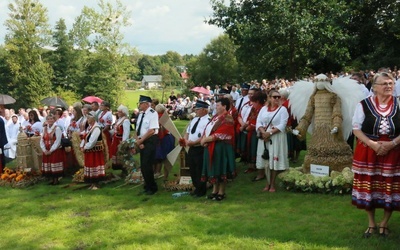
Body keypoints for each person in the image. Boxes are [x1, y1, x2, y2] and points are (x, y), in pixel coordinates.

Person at [351, 72, 400, 238]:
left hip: (394, 151)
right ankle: (371, 223)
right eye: (384, 84)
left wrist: (392, 143)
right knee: (369, 187)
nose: (388, 86)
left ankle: (384, 223)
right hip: (368, 151)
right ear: (375, 87)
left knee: (390, 188)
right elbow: (356, 128)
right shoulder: (364, 104)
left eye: (391, 83)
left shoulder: (399, 104)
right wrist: (373, 144)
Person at [201, 97, 236, 201]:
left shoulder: (228, 118)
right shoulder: (215, 117)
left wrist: (206, 139)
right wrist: (204, 139)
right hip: (211, 146)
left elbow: (223, 133)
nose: (216, 107)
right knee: (213, 168)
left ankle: (221, 192)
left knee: (220, 167)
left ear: (224, 106)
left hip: (221, 147)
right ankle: (214, 190)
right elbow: (207, 128)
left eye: (218, 105)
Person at [256, 90, 289, 192]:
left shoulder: (282, 109)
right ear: (269, 98)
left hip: (276, 137)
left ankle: (272, 184)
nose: (277, 99)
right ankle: (267, 182)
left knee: (274, 160)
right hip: (264, 137)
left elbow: (283, 124)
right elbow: (258, 121)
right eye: (274, 97)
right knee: (266, 159)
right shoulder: (263, 109)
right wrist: (263, 132)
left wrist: (269, 133)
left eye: (278, 97)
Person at [182, 100, 210, 197]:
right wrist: (185, 139)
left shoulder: (207, 121)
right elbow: (188, 131)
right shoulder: (194, 120)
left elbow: (205, 136)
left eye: (198, 109)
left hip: (200, 148)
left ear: (204, 110)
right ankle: (196, 187)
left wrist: (194, 142)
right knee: (192, 168)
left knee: (199, 169)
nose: (196, 111)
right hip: (191, 147)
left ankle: (201, 190)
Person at [135, 95, 159, 195]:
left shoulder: (153, 113)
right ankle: (147, 185)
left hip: (150, 140)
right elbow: (137, 129)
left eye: (140, 103)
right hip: (142, 140)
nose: (139, 105)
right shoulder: (141, 114)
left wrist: (141, 141)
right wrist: (138, 141)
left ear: (146, 104)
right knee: (143, 165)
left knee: (147, 164)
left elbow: (152, 130)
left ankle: (152, 187)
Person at [80, 111, 106, 190]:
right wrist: (81, 145)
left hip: (95, 151)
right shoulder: (89, 127)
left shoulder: (96, 128)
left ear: (93, 118)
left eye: (88, 118)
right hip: (90, 151)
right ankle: (92, 183)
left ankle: (96, 183)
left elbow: (92, 141)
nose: (87, 119)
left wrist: (85, 147)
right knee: (90, 165)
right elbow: (85, 138)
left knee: (95, 165)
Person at [40, 114, 65, 185]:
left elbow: (58, 141)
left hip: (55, 150)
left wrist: (51, 150)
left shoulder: (57, 128)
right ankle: (51, 179)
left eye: (51, 119)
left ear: (54, 120)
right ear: (46, 120)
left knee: (54, 163)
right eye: (48, 119)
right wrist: (44, 149)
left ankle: (56, 179)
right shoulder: (44, 128)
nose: (50, 120)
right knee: (48, 164)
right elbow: (41, 140)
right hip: (46, 149)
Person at [153, 104, 175, 180]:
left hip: (163, 139)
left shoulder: (159, 117)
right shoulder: (166, 116)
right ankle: (165, 175)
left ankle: (157, 172)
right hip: (169, 137)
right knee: (167, 157)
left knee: (160, 156)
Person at [110, 105, 131, 175]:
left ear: (124, 112)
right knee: (117, 154)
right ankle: (122, 170)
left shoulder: (126, 120)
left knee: (122, 154)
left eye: (120, 112)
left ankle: (126, 170)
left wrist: (124, 142)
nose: (118, 113)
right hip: (116, 139)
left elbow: (126, 132)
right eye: (118, 111)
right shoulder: (119, 120)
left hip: (121, 140)